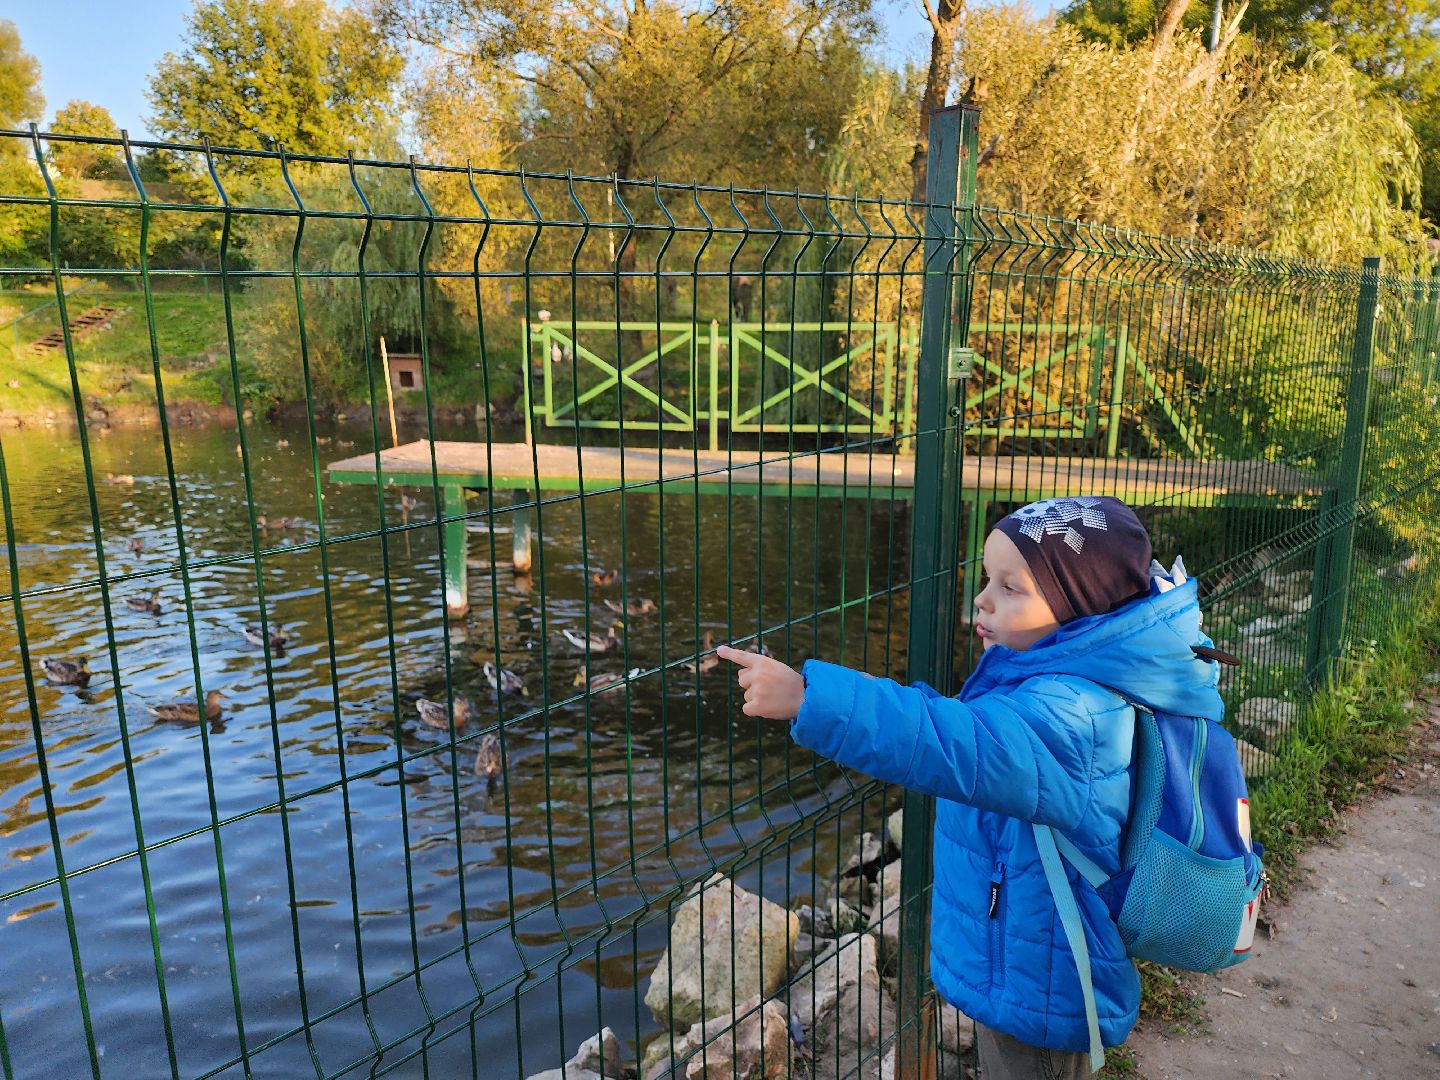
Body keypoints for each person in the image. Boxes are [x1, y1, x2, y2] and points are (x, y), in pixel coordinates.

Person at [717, 495, 1226, 1079]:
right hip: (1026, 955)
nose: (981, 599)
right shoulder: (1053, 678)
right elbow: (960, 728)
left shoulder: (1071, 717)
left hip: (1041, 984)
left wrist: (813, 699)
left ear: (1077, 610)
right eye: (988, 578)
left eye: (1011, 588)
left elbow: (951, 741)